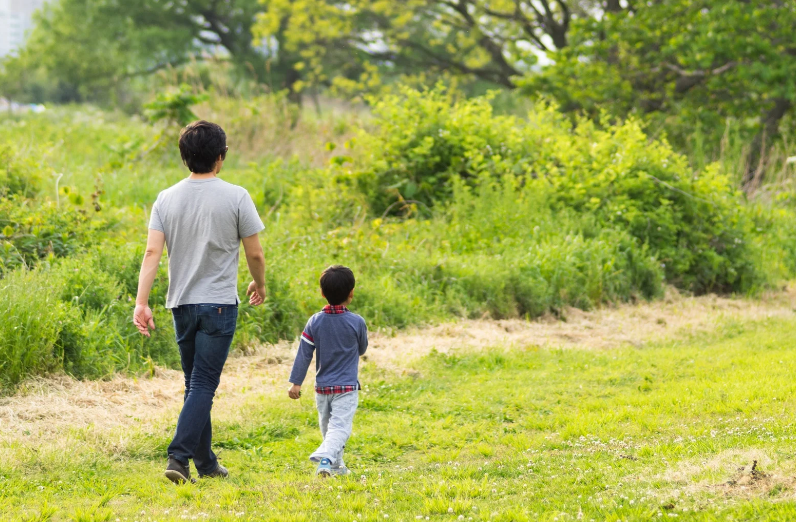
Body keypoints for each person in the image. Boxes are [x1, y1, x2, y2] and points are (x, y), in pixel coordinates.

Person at [133, 120, 267, 484]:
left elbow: (151, 253)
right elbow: (254, 253)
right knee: (204, 384)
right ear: (220, 157)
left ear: (184, 157)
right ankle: (178, 457)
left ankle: (207, 464)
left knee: (195, 384)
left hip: (181, 305)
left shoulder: (166, 198)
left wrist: (141, 303)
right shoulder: (236, 196)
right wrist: (259, 284)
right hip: (220, 304)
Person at [287, 265, 368, 477]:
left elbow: (304, 353)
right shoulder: (357, 322)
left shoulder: (315, 321)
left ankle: (335, 467)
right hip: (347, 387)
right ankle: (325, 458)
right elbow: (362, 349)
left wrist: (296, 382)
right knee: (339, 429)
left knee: (329, 430)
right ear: (351, 293)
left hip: (322, 388)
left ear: (322, 293)